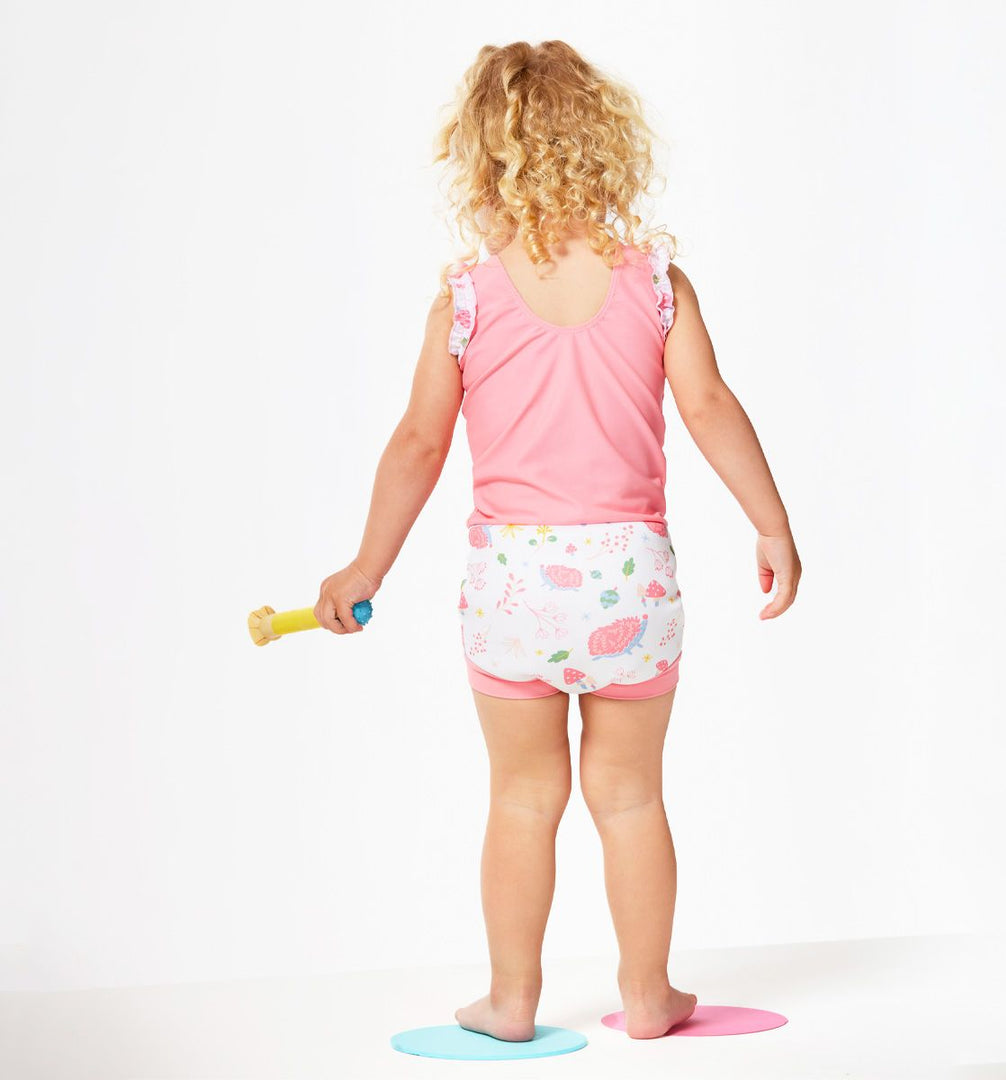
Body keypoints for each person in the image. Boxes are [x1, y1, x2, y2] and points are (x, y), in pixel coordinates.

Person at [313, 40, 802, 1041]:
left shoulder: (465, 299)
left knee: (524, 798)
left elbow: (417, 442)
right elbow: (707, 407)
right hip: (631, 580)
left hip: (514, 586)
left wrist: (365, 567)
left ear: (482, 160)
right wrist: (772, 523)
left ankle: (511, 999)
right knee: (628, 798)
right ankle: (650, 996)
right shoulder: (659, 283)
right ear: (604, 145)